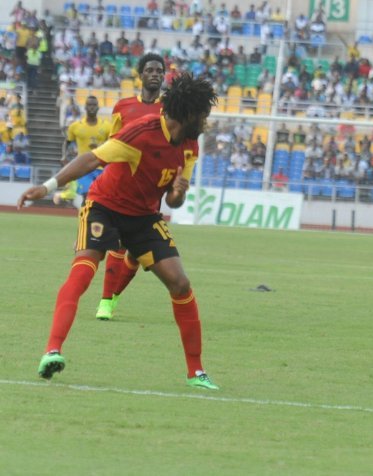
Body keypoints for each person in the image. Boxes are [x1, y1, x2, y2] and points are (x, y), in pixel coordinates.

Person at [17, 73, 220, 390]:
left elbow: (173, 200)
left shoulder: (190, 146)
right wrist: (47, 187)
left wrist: (179, 193)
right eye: (203, 115)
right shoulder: (142, 133)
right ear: (189, 114)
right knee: (84, 271)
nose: (206, 122)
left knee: (180, 283)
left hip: (144, 217)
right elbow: (91, 159)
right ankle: (52, 351)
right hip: (105, 206)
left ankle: (196, 372)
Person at [96, 52, 166, 321]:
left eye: (159, 71)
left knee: (136, 254)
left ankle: (114, 296)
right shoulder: (123, 107)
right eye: (150, 70)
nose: (155, 74)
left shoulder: (169, 108)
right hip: (121, 188)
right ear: (140, 74)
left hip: (150, 191)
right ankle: (105, 301)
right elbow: (112, 144)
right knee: (117, 245)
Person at [55, 95, 111, 206]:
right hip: (83, 168)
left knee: (101, 199)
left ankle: (92, 216)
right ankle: (84, 216)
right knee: (87, 195)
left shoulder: (107, 126)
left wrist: (100, 147)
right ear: (85, 107)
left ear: (98, 107)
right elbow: (67, 142)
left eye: (94, 105)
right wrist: (64, 156)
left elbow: (112, 144)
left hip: (101, 168)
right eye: (89, 105)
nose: (92, 107)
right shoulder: (75, 126)